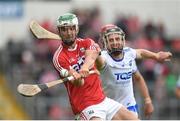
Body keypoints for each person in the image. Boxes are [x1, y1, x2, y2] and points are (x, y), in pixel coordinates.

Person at [52, 13, 139, 120]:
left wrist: (85, 67)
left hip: (102, 100)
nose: (69, 32)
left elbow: (91, 55)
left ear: (77, 29)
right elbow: (79, 83)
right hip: (85, 106)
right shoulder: (59, 57)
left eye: (71, 28)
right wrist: (77, 77)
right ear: (59, 32)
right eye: (64, 30)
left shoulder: (87, 42)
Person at [95, 24, 172, 118]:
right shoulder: (102, 57)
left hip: (129, 106)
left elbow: (140, 60)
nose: (115, 42)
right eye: (111, 39)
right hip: (109, 108)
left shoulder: (128, 54)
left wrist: (147, 100)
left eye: (117, 38)